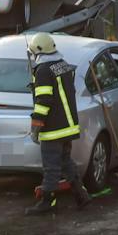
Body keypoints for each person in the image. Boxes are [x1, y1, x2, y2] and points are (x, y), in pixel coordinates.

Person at [26, 33, 89, 214]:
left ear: (38, 51)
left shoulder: (43, 70)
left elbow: (44, 100)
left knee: (51, 166)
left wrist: (36, 126)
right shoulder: (62, 66)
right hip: (68, 126)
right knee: (65, 162)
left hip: (54, 128)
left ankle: (48, 202)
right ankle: (81, 196)